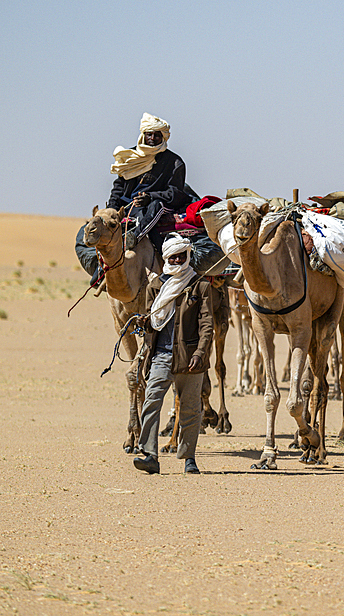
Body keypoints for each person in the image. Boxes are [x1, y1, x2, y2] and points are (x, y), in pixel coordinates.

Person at [132, 234, 214, 475]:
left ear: (188, 256)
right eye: (173, 256)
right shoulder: (156, 286)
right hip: (160, 355)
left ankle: (189, 458)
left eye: (181, 255)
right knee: (151, 401)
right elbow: (151, 319)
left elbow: (207, 324)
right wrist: (143, 322)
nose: (177, 259)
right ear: (166, 257)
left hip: (190, 357)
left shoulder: (200, 286)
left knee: (190, 408)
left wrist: (200, 352)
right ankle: (149, 455)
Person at [108, 113, 190, 251]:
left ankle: (135, 237)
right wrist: (111, 209)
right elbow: (119, 187)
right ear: (143, 135)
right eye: (149, 134)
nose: (152, 138)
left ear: (163, 137)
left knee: (156, 206)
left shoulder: (174, 162)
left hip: (157, 204)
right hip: (130, 204)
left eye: (157, 135)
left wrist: (151, 197)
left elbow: (175, 193)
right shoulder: (131, 157)